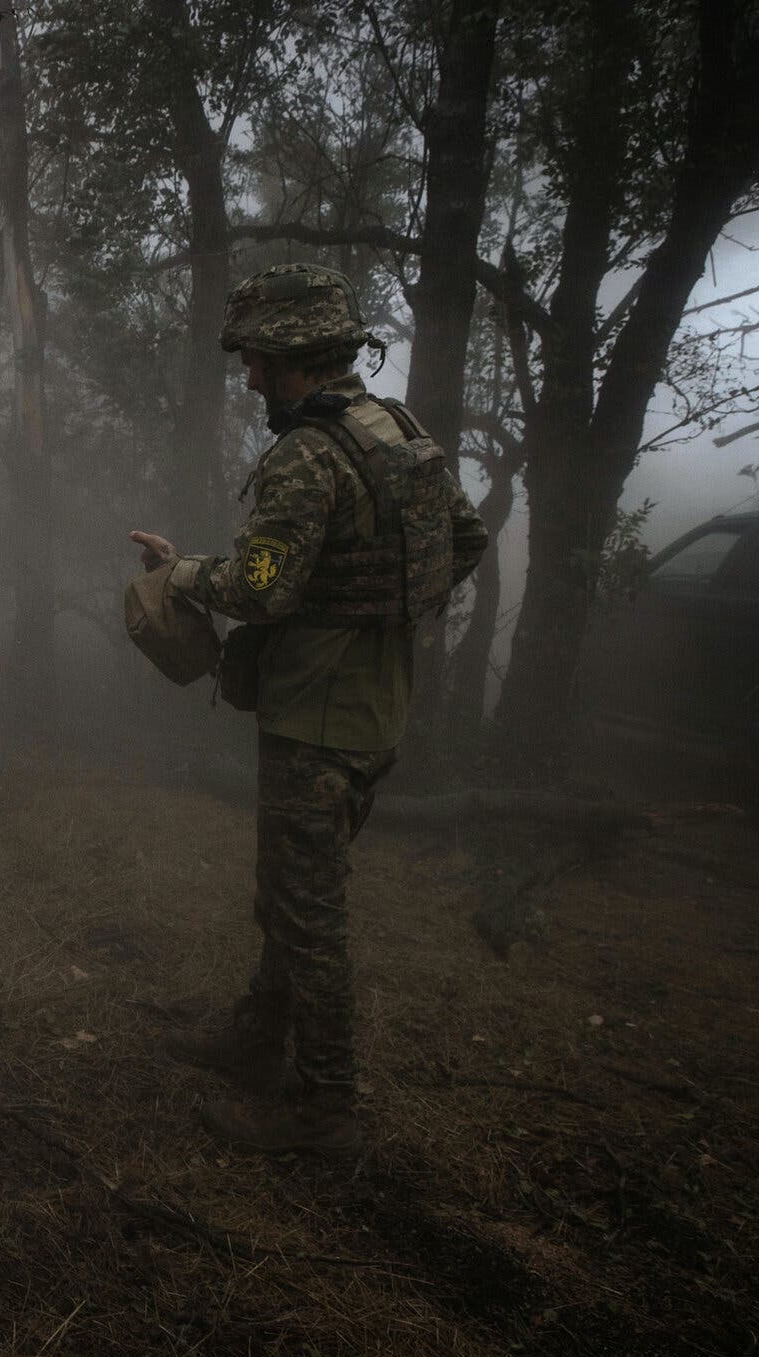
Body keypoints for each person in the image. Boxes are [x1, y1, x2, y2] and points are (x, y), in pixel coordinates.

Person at [127, 262, 488, 1156]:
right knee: (293, 896)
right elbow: (467, 538)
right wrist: (379, 609)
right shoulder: (397, 430)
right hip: (375, 710)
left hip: (315, 717)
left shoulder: (308, 453)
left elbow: (262, 584)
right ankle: (257, 1038)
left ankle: (327, 1106)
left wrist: (181, 573)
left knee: (308, 915)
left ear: (294, 353)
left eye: (256, 358)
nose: (250, 376)